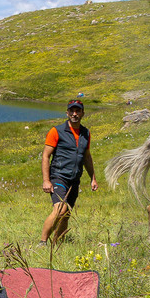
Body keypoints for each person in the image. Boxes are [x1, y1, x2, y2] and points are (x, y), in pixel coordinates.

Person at [40, 97, 97, 244]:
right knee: (60, 209)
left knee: (66, 215)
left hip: (75, 180)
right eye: (72, 110)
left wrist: (93, 178)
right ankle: (42, 242)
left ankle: (58, 244)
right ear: (67, 113)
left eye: (78, 111)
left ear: (83, 113)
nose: (75, 114)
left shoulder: (86, 133)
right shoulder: (56, 131)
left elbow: (87, 157)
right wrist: (46, 180)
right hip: (59, 177)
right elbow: (46, 156)